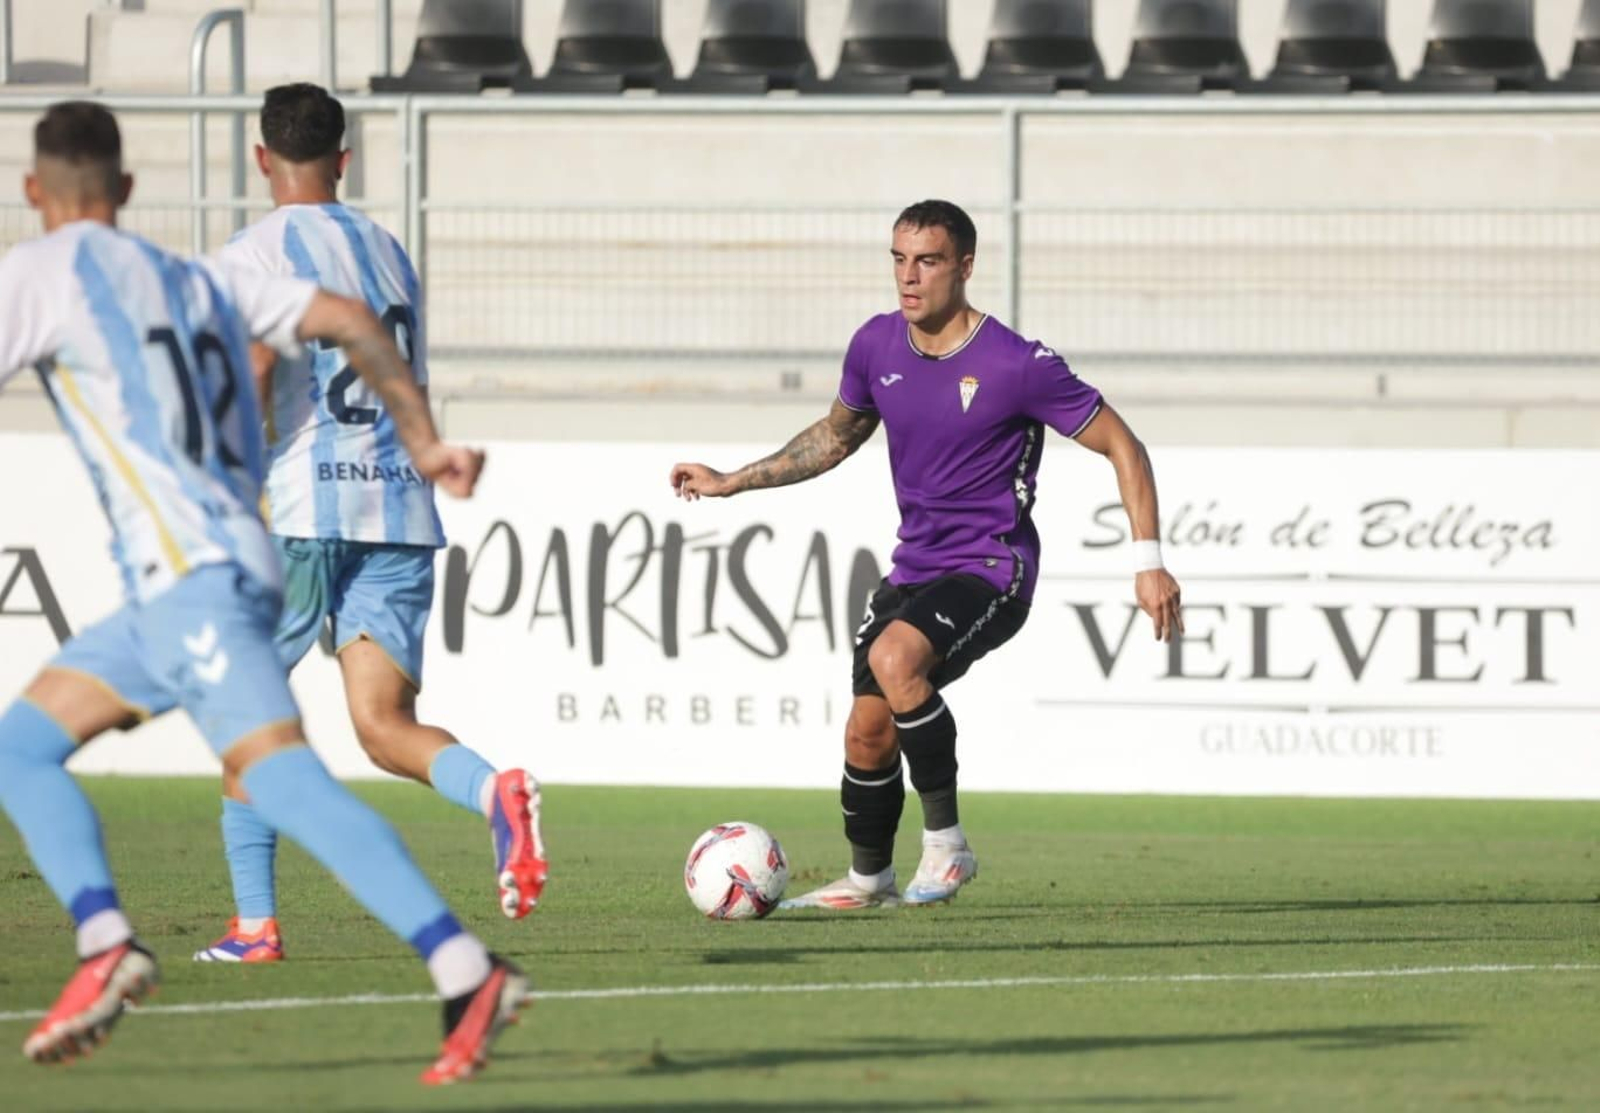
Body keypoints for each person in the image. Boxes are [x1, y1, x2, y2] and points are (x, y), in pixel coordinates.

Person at [0, 101, 522, 1084]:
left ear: (35, 192)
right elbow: (354, 319)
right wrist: (423, 443)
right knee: (22, 746)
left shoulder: (42, 271)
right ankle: (107, 939)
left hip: (197, 573)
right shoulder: (197, 274)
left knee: (281, 772)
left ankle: (464, 967)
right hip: (203, 571)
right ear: (127, 190)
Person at [670, 199, 1183, 910]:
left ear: (965, 266)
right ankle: (867, 880)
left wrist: (1148, 559)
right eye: (899, 259)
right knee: (867, 727)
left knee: (895, 660)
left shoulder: (1016, 363)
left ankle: (948, 845)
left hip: (993, 567)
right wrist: (733, 482)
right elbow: (834, 437)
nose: (909, 277)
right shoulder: (876, 346)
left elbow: (1125, 445)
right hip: (915, 566)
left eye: (929, 261)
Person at [191, 83, 546, 966]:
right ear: (344, 159)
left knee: (247, 717)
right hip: (396, 505)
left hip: (300, 510)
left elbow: (261, 360)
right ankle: (495, 790)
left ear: (261, 157)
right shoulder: (389, 249)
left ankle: (254, 926)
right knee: (384, 722)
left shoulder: (249, 252)